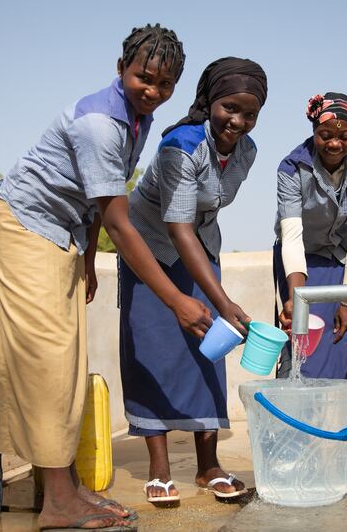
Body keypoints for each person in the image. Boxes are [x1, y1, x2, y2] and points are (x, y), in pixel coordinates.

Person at [0, 24, 212, 531]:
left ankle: (64, 492)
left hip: (62, 232)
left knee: (67, 363)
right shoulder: (100, 122)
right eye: (143, 78)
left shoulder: (138, 118)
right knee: (47, 360)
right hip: (25, 224)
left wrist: (88, 260)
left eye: (165, 84)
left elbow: (96, 201)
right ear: (121, 69)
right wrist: (177, 299)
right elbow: (118, 220)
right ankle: (59, 503)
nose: (152, 91)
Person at [120, 57, 267, 504]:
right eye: (229, 108)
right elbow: (176, 225)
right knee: (152, 352)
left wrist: (216, 300)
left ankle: (208, 466)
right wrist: (224, 301)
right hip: (150, 251)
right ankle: (160, 469)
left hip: (200, 249)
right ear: (209, 101)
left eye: (249, 114)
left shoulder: (247, 151)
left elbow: (203, 216)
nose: (238, 121)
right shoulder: (179, 146)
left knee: (209, 350)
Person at [273, 92, 347, 412]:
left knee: (345, 341)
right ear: (314, 132)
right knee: (303, 348)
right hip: (301, 265)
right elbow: (291, 237)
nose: (335, 144)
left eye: (344, 136)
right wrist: (296, 298)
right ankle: (300, 435)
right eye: (326, 135)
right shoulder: (292, 168)